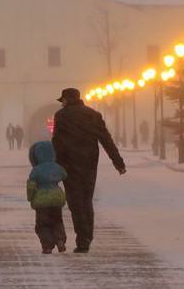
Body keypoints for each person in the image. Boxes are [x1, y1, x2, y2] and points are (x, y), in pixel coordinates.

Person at [52, 88, 126, 254]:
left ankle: (83, 238)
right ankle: (87, 237)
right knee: (86, 200)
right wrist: (118, 161)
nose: (61, 103)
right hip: (89, 164)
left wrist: (54, 164)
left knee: (75, 202)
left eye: (62, 99)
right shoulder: (93, 114)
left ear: (67, 100)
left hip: (68, 164)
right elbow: (105, 139)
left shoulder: (61, 115)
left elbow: (57, 141)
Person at [27, 140, 67, 254]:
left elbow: (31, 186)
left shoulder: (36, 170)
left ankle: (47, 245)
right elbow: (64, 175)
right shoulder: (57, 167)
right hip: (56, 199)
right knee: (57, 222)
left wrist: (30, 197)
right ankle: (60, 240)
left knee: (42, 225)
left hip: (41, 202)